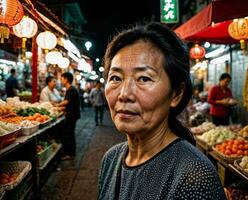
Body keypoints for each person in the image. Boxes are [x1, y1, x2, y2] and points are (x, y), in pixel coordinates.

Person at [98, 22, 226, 199]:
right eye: (115, 78)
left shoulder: (194, 176)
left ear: (176, 94)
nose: (124, 94)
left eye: (143, 78)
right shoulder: (110, 159)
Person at [57, 72, 80, 160]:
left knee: (69, 134)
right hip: (72, 115)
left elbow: (66, 102)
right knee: (69, 133)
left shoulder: (71, 89)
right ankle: (70, 153)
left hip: (72, 115)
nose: (61, 81)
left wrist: (57, 106)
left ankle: (70, 154)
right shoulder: (70, 89)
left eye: (62, 79)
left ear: (66, 79)